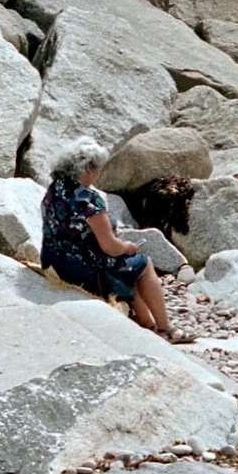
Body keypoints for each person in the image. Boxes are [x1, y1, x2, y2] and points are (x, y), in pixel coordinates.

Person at [39, 139, 186, 341]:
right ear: (89, 169)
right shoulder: (88, 200)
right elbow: (110, 247)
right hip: (83, 268)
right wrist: (128, 247)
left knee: (127, 269)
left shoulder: (55, 188)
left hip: (54, 260)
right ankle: (166, 328)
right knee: (142, 264)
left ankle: (146, 323)